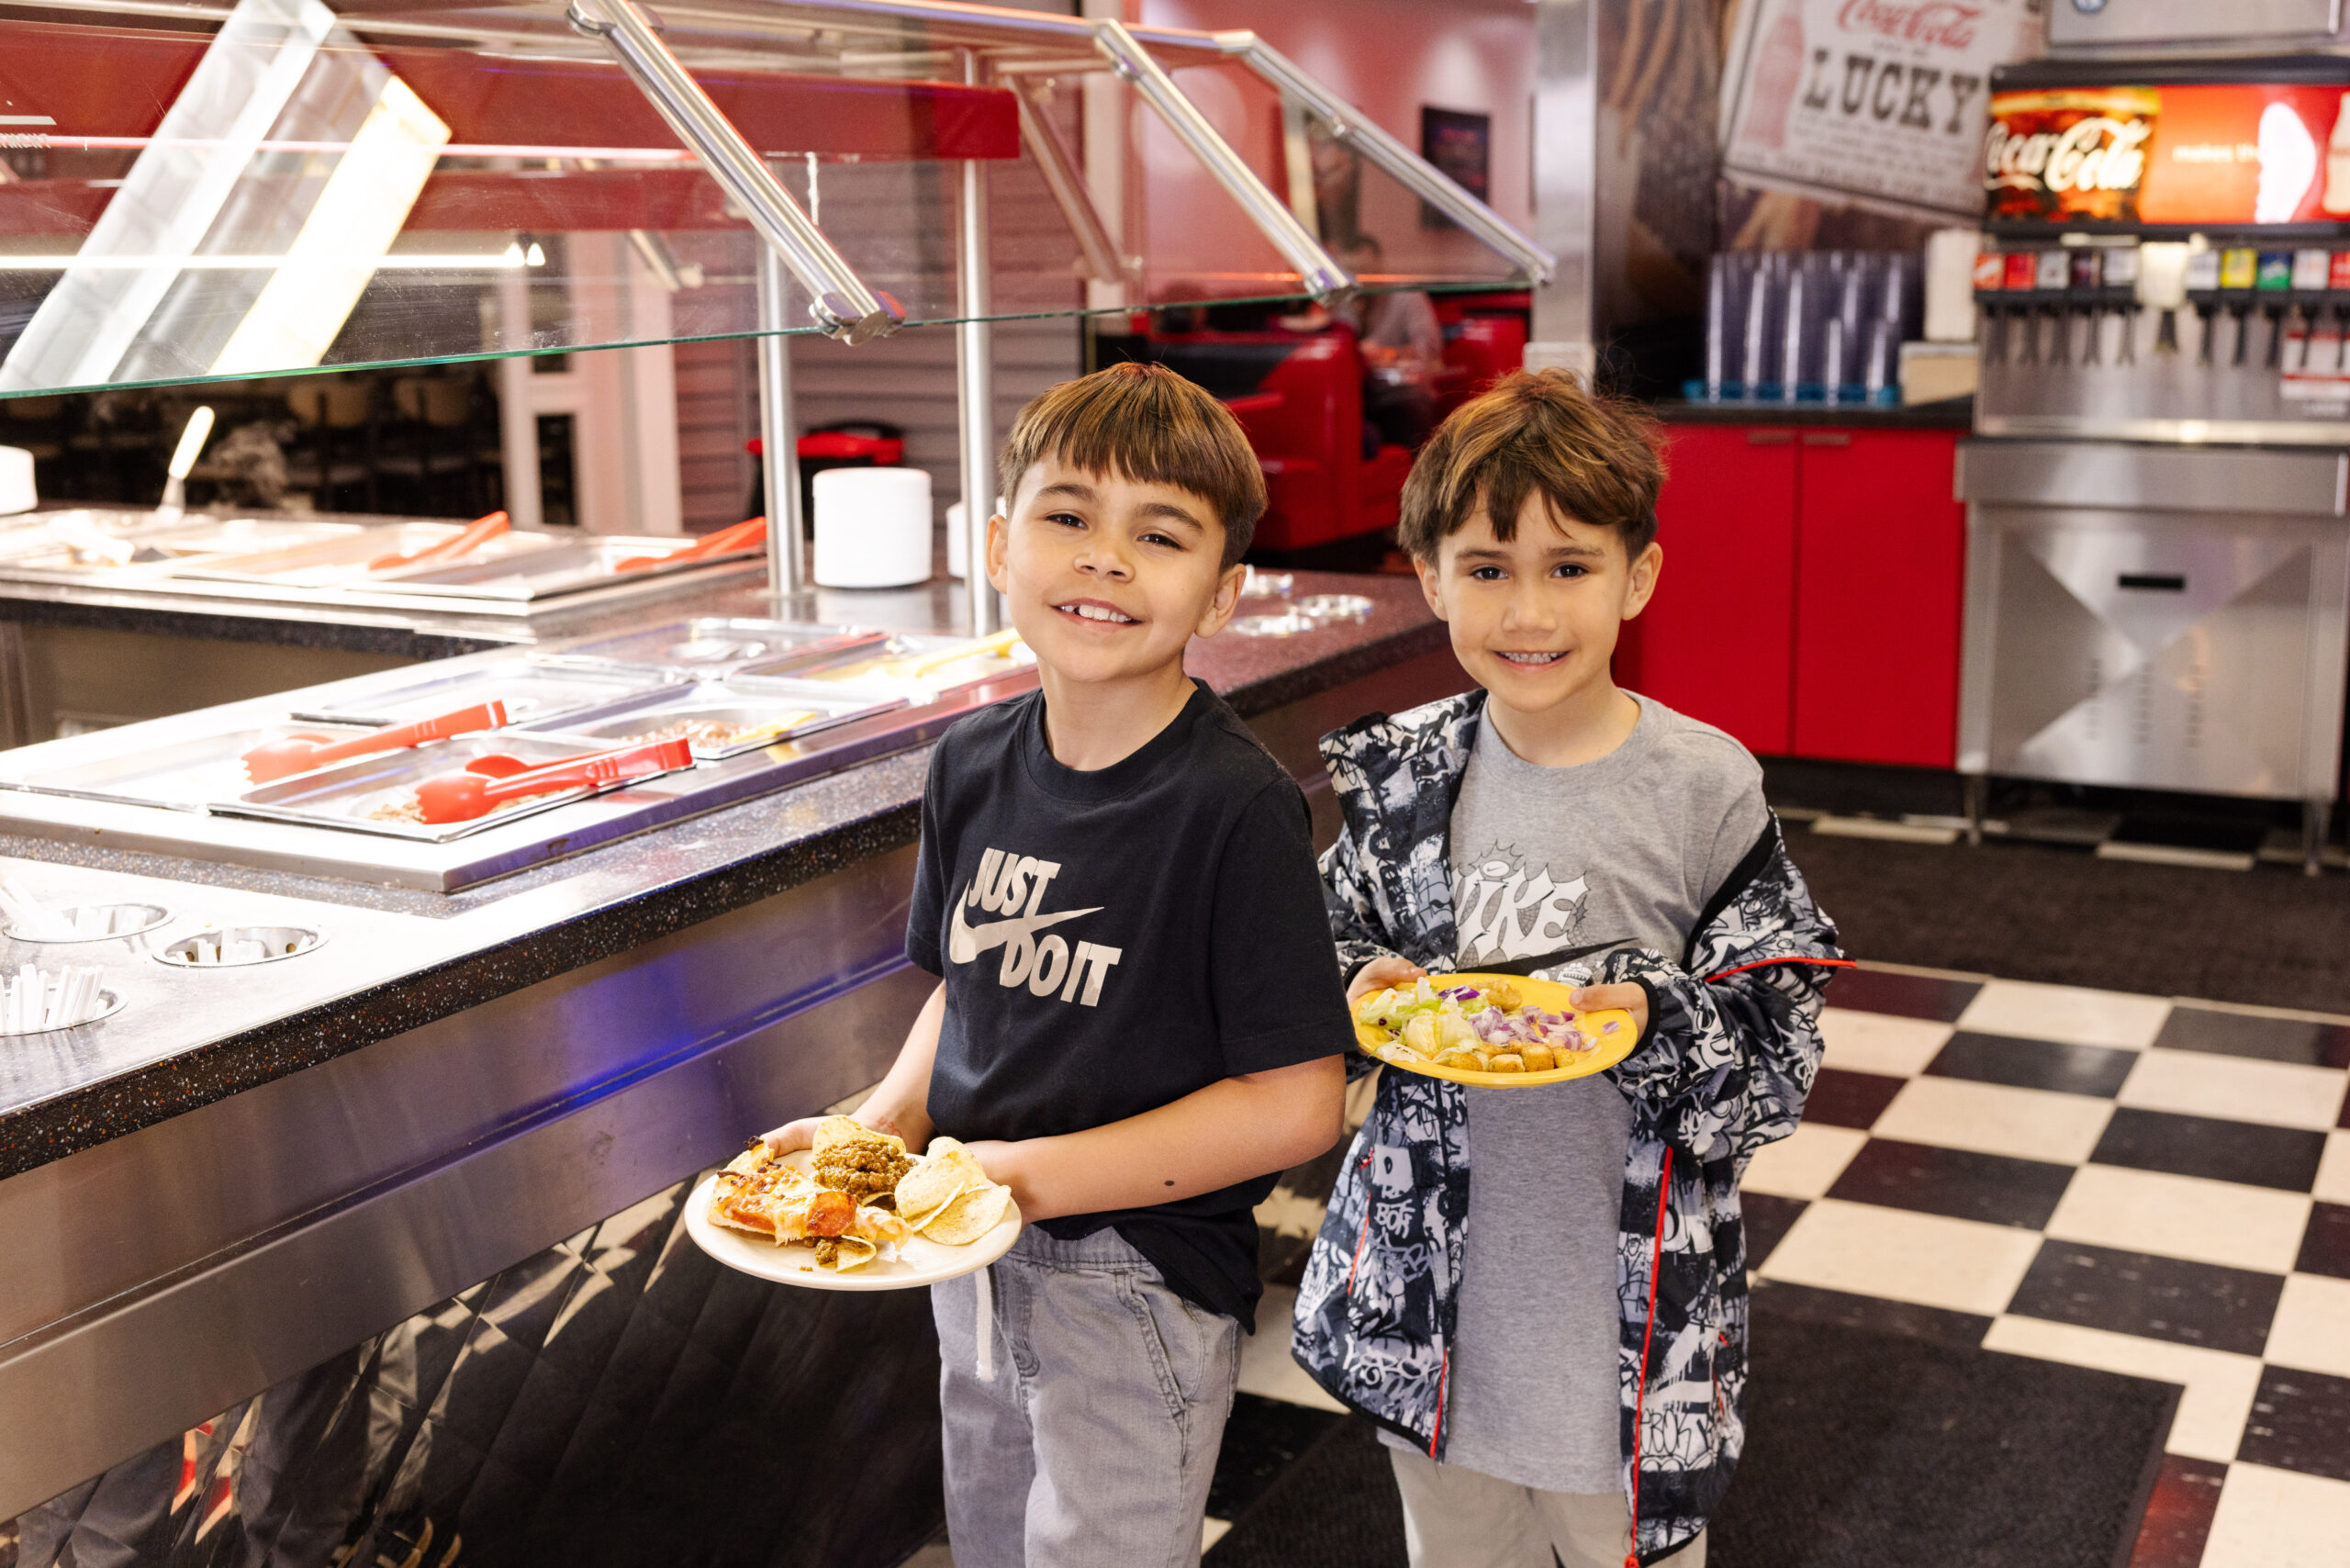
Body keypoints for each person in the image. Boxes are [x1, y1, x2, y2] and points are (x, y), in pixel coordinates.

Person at [764, 362, 1353, 1568]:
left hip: (1134, 1276)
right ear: (996, 545)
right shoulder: (971, 763)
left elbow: (1295, 1105)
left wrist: (1024, 1178)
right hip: (970, 1255)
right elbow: (965, 987)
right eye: (1067, 516)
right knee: (992, 1544)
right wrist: (878, 1126)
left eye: (1161, 534)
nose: (1104, 558)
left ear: (1224, 595)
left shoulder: (1233, 808)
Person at [1289, 369, 1847, 1568]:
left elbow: (1778, 1055)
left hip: (1631, 1331)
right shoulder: (1395, 783)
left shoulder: (1705, 787)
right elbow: (1316, 961)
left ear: (1637, 575)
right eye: (1487, 569)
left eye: (1570, 567)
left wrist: (1655, 1015)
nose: (1527, 610)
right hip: (1430, 1310)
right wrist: (1356, 990)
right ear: (1428, 574)